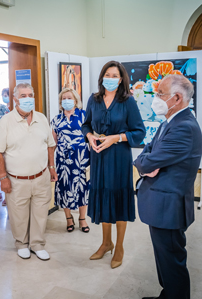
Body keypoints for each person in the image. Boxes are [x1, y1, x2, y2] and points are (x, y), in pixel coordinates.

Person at [134, 75, 202, 299]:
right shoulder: (170, 122)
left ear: (177, 98)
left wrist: (147, 163)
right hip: (160, 204)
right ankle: (168, 294)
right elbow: (147, 151)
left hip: (169, 207)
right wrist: (147, 162)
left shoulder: (184, 127)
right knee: (164, 257)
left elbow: (147, 161)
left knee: (172, 261)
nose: (156, 98)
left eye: (160, 94)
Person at [81, 61, 145, 269]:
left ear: (120, 79)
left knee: (118, 197)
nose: (110, 78)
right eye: (106, 74)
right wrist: (90, 136)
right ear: (102, 77)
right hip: (98, 155)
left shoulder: (127, 101)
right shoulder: (94, 99)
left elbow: (139, 132)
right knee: (103, 195)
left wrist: (116, 138)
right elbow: (86, 124)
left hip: (118, 156)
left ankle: (119, 246)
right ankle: (106, 242)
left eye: (114, 75)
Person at [0, 83, 57, 260]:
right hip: (16, 179)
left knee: (40, 212)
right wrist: (3, 177)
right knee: (18, 214)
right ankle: (21, 243)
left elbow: (51, 145)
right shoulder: (5, 122)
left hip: (41, 176)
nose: (28, 98)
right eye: (23, 95)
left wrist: (51, 167)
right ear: (15, 99)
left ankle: (37, 244)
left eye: (30, 94)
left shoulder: (42, 118)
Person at [51, 88, 90, 233]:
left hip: (81, 160)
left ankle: (82, 218)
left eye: (70, 98)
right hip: (62, 161)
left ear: (76, 100)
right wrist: (51, 165)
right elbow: (52, 143)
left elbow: (92, 137)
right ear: (61, 101)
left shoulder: (85, 116)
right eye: (64, 98)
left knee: (82, 189)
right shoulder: (56, 119)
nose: (67, 100)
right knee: (64, 188)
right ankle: (68, 218)